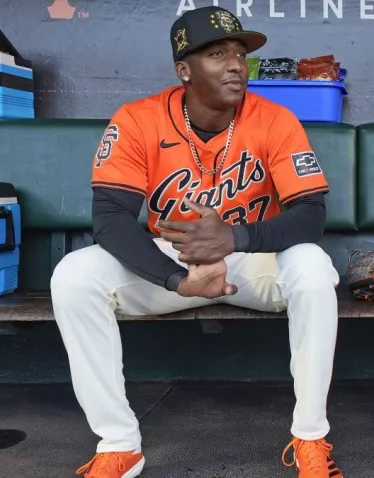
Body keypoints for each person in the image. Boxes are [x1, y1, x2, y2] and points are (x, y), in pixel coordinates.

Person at [50, 6, 343, 478]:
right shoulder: (138, 120)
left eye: (240, 54)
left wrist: (235, 237)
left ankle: (310, 437)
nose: (235, 64)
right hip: (171, 265)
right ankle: (120, 444)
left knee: (310, 267)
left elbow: (310, 215)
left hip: (253, 259)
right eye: (217, 53)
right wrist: (176, 278)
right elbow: (109, 219)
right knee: (73, 276)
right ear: (183, 70)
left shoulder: (275, 120)